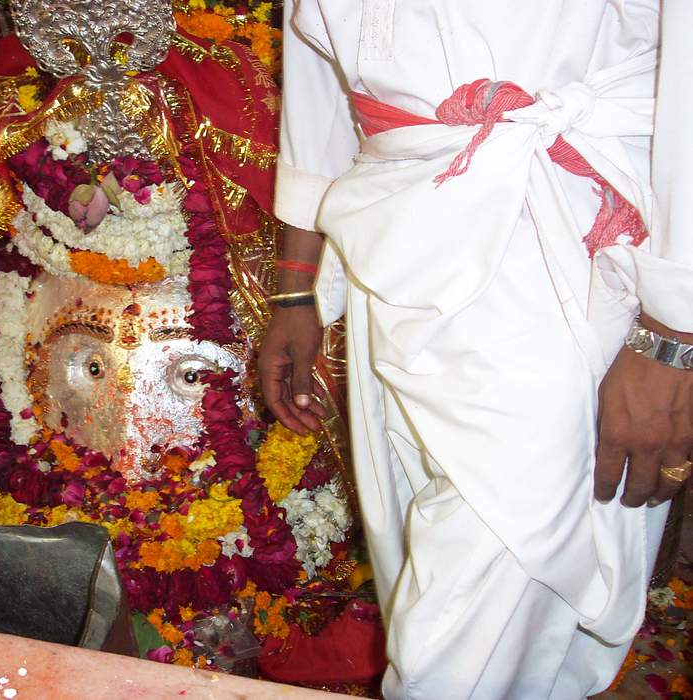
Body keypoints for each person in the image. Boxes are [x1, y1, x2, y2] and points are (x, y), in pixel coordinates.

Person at [259, 1, 693, 698]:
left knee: (473, 622)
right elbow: (318, 90)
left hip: (560, 246)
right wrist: (295, 288)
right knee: (429, 587)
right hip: (386, 250)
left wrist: (676, 332)